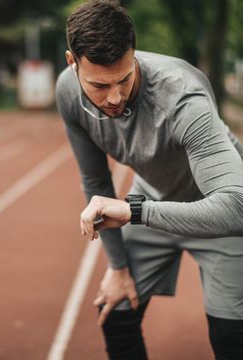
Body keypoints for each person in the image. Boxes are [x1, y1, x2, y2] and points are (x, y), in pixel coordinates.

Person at [55, 1, 243, 359]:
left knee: (231, 337)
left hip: (218, 211)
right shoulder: (67, 91)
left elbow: (236, 208)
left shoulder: (183, 97)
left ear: (134, 54)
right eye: (99, 84)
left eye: (124, 79)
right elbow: (96, 182)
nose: (113, 97)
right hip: (151, 198)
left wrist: (134, 211)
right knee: (115, 310)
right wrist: (117, 267)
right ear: (72, 62)